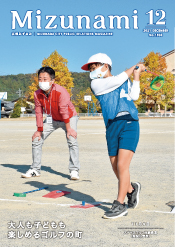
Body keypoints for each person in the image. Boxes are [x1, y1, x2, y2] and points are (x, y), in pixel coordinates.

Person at [81, 53, 145, 219]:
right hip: (111, 127)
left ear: (106, 66)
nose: (93, 72)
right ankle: (131, 189)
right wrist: (134, 67)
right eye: (91, 69)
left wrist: (136, 76)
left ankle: (119, 204)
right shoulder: (96, 84)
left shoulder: (124, 79)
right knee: (116, 167)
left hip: (129, 122)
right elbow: (117, 80)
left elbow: (134, 96)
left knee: (123, 166)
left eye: (95, 68)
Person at [21, 66, 80, 180]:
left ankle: (74, 170)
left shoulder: (61, 91)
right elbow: (38, 112)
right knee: (36, 139)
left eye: (45, 79)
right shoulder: (37, 94)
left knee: (72, 139)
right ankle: (35, 169)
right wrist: (39, 130)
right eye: (40, 79)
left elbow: (63, 110)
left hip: (69, 117)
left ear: (52, 81)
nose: (42, 82)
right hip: (52, 118)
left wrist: (69, 129)